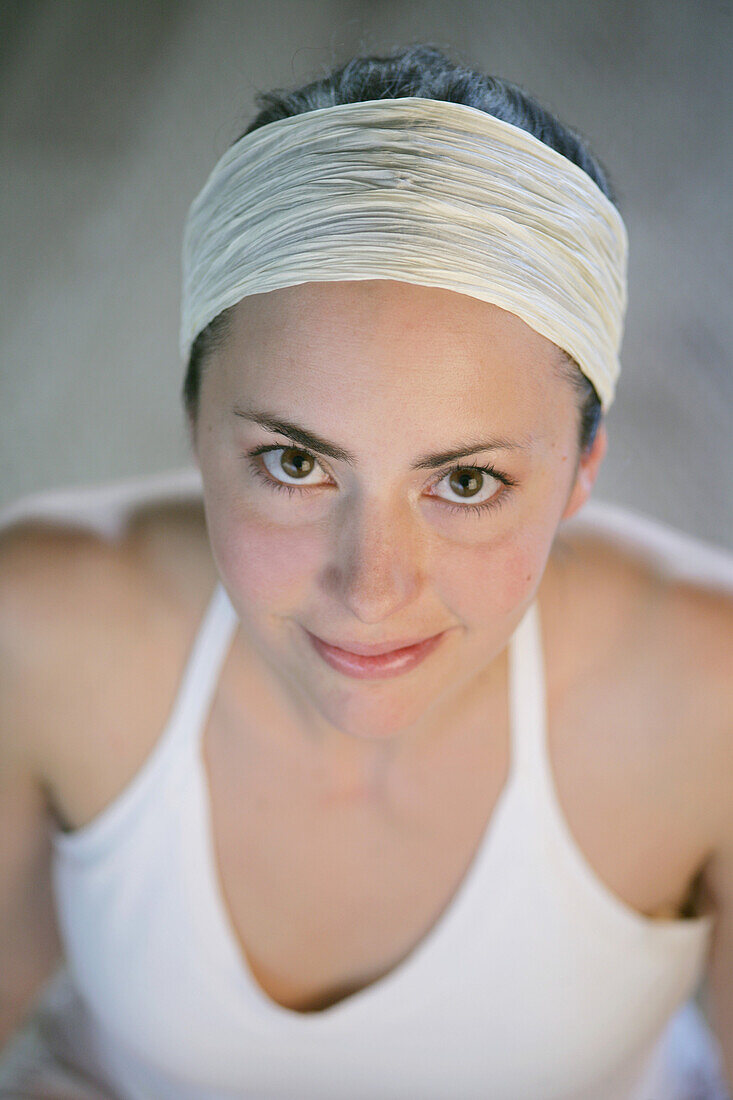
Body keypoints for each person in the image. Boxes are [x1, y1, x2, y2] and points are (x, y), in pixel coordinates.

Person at [0, 42, 731, 1100]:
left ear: (581, 470)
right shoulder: (38, 625)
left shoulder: (709, 697)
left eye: (467, 481)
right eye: (295, 463)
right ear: (198, 431)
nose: (372, 586)